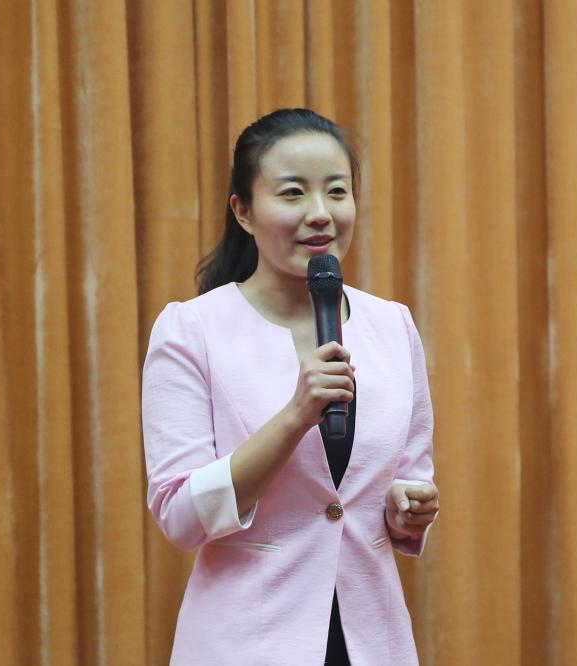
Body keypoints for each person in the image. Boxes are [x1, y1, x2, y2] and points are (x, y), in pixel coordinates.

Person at [142, 108, 439, 665]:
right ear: (244, 211)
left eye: (337, 191)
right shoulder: (192, 330)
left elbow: (409, 475)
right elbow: (180, 516)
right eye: (293, 193)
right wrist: (294, 416)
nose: (320, 213)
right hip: (247, 642)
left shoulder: (392, 325)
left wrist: (408, 506)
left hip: (370, 640)